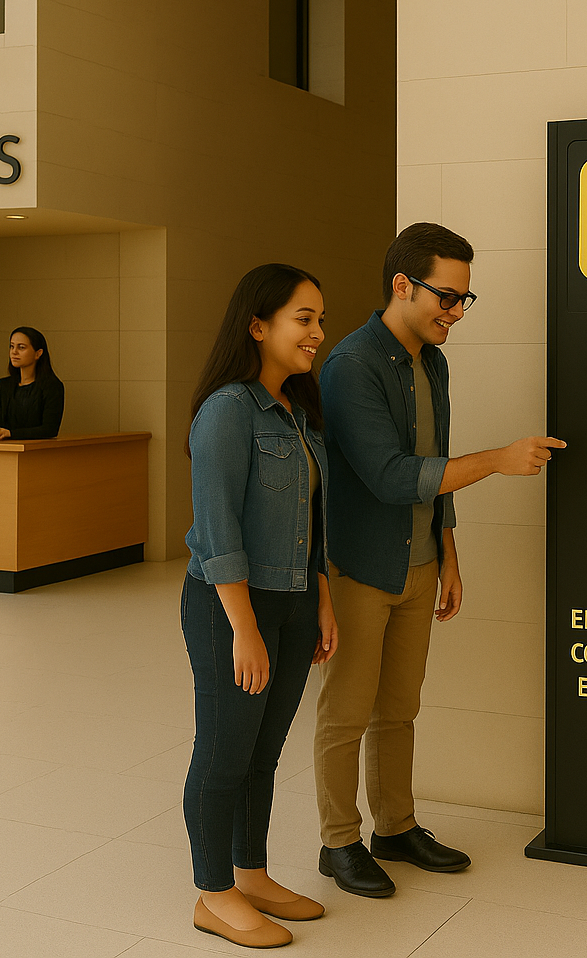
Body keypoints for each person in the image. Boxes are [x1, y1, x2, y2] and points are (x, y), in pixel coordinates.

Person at [313, 222, 565, 898]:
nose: (455, 312)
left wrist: (450, 554)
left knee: (399, 707)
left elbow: (435, 463)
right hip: (361, 566)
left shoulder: (433, 361)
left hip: (421, 563)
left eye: (463, 300)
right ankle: (338, 842)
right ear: (403, 285)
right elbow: (396, 477)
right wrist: (501, 461)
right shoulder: (350, 366)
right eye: (447, 297)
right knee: (347, 711)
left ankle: (394, 827)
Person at [182, 263, 340, 949]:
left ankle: (251, 874)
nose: (317, 333)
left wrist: (322, 601)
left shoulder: (300, 415)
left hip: (295, 600)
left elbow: (312, 519)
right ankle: (212, 894)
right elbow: (218, 530)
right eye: (303, 319)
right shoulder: (226, 412)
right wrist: (243, 628)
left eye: (319, 319)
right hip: (230, 608)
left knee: (263, 754)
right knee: (224, 752)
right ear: (258, 325)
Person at [0, 326, 64, 439]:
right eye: (12, 346)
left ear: (38, 353)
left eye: (21, 347)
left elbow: (49, 429)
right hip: (5, 449)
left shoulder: (52, 386)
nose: (14, 352)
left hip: (37, 450)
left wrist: (11, 433)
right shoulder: (4, 385)